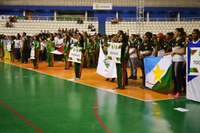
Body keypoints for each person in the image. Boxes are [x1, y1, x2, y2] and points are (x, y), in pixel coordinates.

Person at [165, 28, 186, 98]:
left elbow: (183, 51)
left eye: (175, 32)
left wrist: (174, 52)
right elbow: (173, 51)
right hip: (174, 59)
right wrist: (167, 53)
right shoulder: (173, 41)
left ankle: (179, 92)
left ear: (179, 33)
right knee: (174, 76)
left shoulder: (182, 40)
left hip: (179, 60)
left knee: (178, 76)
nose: (174, 34)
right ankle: (175, 91)